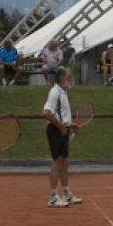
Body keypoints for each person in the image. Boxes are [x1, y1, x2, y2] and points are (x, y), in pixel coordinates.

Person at [41, 67, 82, 208]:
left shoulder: (63, 92)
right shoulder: (54, 92)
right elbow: (45, 113)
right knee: (57, 162)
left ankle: (66, 194)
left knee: (65, 162)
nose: (71, 79)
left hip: (62, 130)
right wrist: (60, 126)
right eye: (69, 76)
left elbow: (61, 114)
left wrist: (70, 125)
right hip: (55, 130)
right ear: (61, 78)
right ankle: (52, 198)